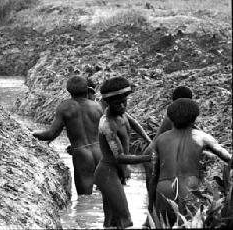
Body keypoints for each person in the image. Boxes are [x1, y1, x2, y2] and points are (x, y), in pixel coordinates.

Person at [150, 99, 231, 227]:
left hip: (163, 188)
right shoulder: (202, 137)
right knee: (189, 224)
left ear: (171, 119)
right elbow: (227, 157)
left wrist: (150, 204)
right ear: (194, 119)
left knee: (164, 224)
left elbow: (155, 174)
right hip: (189, 188)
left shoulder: (160, 139)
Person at [94, 76, 152, 229]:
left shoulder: (123, 114)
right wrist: (147, 158)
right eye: (116, 103)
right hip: (107, 174)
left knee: (111, 222)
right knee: (126, 219)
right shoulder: (106, 124)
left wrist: (149, 141)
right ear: (106, 103)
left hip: (114, 173)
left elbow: (135, 124)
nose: (121, 106)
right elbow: (119, 157)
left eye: (124, 102)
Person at [32, 75, 103, 194]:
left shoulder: (65, 107)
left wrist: (33, 134)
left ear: (68, 91)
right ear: (87, 89)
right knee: (103, 195)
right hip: (100, 152)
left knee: (84, 198)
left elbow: (51, 134)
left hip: (82, 154)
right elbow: (106, 133)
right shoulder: (97, 106)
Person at [143, 86, 194, 211]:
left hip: (154, 151)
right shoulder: (174, 116)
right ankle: (151, 214)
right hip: (153, 154)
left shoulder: (177, 114)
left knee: (157, 189)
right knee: (155, 190)